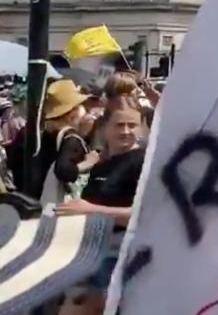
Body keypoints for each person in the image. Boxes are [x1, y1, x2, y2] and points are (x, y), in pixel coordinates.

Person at [55, 93, 146, 315]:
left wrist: (91, 210)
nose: (126, 131)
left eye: (132, 125)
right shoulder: (102, 164)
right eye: (119, 125)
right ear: (105, 127)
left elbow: (145, 214)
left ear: (142, 127)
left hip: (119, 262)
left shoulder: (143, 163)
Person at [38, 80, 96, 204]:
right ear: (72, 114)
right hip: (64, 205)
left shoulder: (49, 134)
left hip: (47, 200)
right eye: (82, 106)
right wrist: (88, 162)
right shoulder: (71, 139)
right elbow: (63, 170)